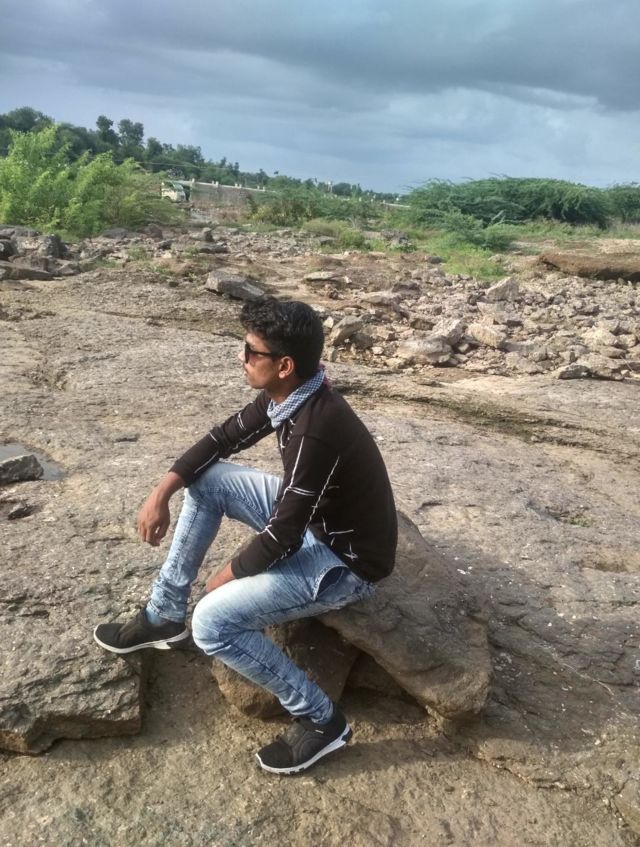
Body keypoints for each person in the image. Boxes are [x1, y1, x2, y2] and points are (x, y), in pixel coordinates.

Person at [94, 296, 397, 775]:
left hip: (344, 562)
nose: (242, 358)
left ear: (284, 365)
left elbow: (283, 536)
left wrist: (226, 577)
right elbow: (222, 439)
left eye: (251, 352)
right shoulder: (292, 395)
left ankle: (321, 721)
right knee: (209, 480)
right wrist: (161, 492)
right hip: (315, 523)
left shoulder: (316, 427)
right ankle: (164, 614)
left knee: (212, 623)